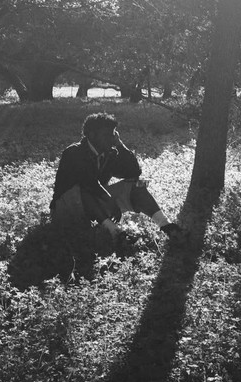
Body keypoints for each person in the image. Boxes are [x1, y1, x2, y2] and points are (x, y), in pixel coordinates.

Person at [50, 112, 181, 270]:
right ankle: (116, 233)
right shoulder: (73, 152)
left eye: (113, 134)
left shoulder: (110, 153)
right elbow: (88, 182)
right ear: (91, 135)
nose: (110, 138)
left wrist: (120, 144)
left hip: (94, 203)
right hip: (66, 208)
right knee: (83, 189)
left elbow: (134, 172)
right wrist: (110, 201)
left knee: (137, 184)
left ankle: (166, 226)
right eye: (106, 135)